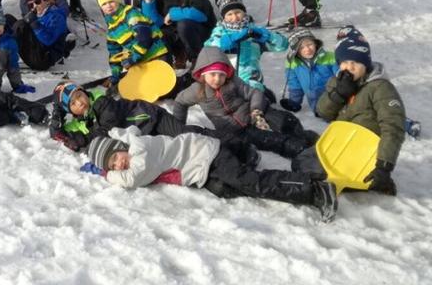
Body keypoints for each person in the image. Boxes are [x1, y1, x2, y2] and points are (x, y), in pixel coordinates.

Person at [80, 127, 338, 223]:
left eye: (115, 159)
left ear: (121, 149)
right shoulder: (134, 145)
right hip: (201, 162)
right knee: (224, 190)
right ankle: (245, 155)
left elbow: (132, 179)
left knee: (249, 182)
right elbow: (123, 138)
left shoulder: (140, 151)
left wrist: (107, 176)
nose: (118, 166)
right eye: (112, 167)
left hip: (206, 155)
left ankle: (314, 190)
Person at [292, 30, 407, 195]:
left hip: (366, 152)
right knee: (301, 161)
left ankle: (371, 182)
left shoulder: (380, 88)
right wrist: (338, 94)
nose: (349, 67)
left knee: (318, 173)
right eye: (345, 62)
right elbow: (323, 112)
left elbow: (393, 127)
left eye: (356, 62)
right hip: (342, 144)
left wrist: (384, 167)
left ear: (365, 64)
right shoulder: (337, 82)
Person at [172, 47, 314, 158]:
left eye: (221, 74)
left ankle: (302, 136)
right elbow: (179, 102)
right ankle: (300, 149)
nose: (217, 79)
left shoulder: (232, 82)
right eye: (212, 74)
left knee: (284, 119)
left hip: (253, 113)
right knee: (270, 139)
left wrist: (256, 110)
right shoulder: (196, 90)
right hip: (235, 130)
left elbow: (254, 92)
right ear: (203, 74)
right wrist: (179, 126)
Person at [48, 82, 205, 153]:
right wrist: (58, 112)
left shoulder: (101, 101)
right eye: (73, 103)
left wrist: (85, 139)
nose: (79, 102)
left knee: (186, 135)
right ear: (70, 110)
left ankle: (218, 137)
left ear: (85, 93)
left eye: (79, 95)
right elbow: (57, 133)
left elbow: (107, 128)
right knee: (180, 148)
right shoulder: (80, 122)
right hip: (145, 135)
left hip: (151, 118)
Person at [204, 0, 288, 91]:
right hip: (224, 78)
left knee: (255, 98)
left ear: (244, 12)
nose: (234, 17)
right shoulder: (219, 32)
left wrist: (265, 35)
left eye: (237, 12)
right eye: (229, 14)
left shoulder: (253, 31)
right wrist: (231, 39)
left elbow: (283, 45)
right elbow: (208, 47)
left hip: (251, 79)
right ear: (224, 17)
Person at [97, 0, 169, 85]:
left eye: (111, 1)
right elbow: (115, 54)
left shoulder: (130, 13)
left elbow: (144, 38)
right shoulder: (112, 28)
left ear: (117, 0)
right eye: (104, 4)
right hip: (141, 61)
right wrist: (115, 74)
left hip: (157, 55)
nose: (108, 6)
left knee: (160, 86)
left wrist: (133, 59)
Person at [11, 0, 75, 71]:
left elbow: (48, 41)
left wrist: (34, 24)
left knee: (21, 25)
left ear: (45, 0)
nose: (34, 6)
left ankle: (8, 57)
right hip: (35, 52)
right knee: (8, 19)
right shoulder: (36, 15)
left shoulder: (56, 16)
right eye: (30, 5)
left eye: (37, 2)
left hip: (44, 58)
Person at [280, 28, 337, 115]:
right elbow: (295, 85)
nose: (307, 49)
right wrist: (294, 102)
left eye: (309, 44)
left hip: (335, 99)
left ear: (315, 43)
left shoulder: (329, 57)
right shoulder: (294, 64)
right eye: (301, 47)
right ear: (296, 51)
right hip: (316, 105)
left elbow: (340, 75)